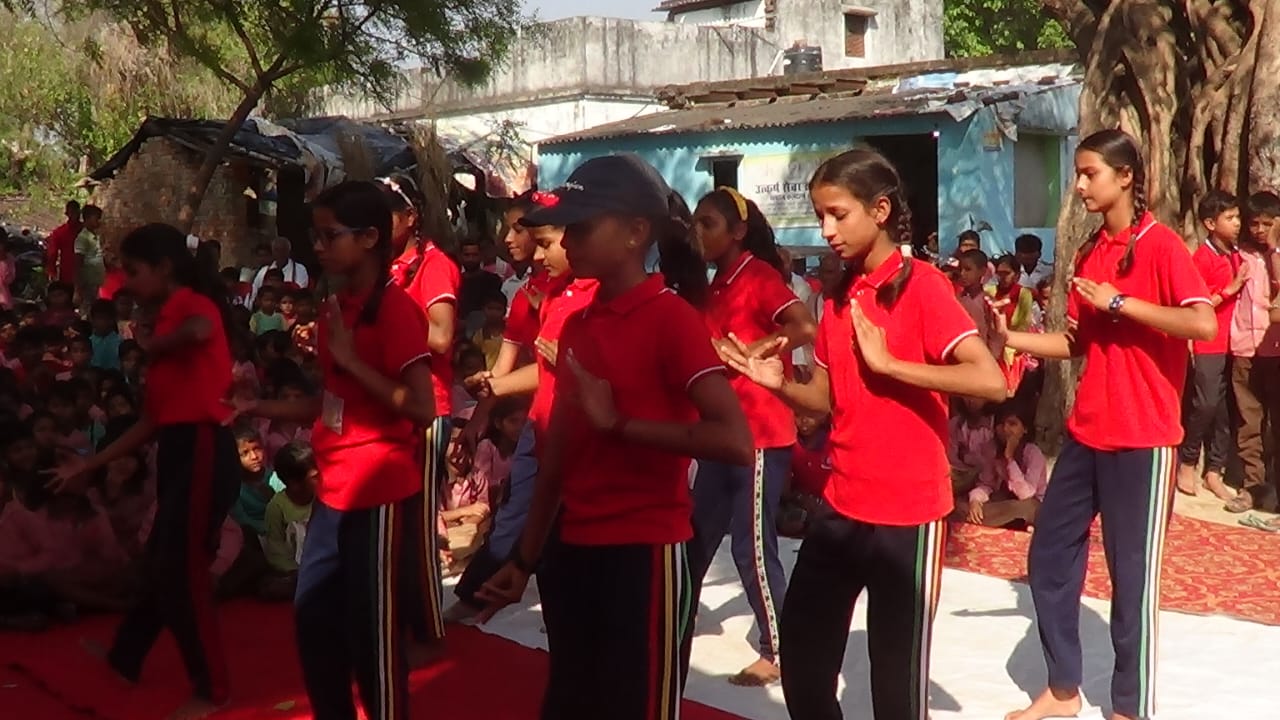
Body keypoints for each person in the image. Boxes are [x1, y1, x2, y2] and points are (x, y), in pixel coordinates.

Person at [720, 147, 1005, 720]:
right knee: (803, 663)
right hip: (841, 505)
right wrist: (779, 384)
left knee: (895, 690)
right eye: (820, 215)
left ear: (880, 210)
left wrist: (893, 366)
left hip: (908, 515)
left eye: (838, 214)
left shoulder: (923, 286)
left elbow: (990, 380)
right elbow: (825, 400)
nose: (826, 230)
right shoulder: (838, 296)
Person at [477, 154, 754, 719]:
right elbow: (557, 451)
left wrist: (620, 425)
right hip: (574, 549)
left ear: (635, 233)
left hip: (646, 554)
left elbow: (735, 442)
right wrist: (524, 557)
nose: (567, 242)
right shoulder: (576, 324)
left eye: (581, 228)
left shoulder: (671, 319)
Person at [998, 129, 1215, 720]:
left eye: (1089, 173)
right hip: (1087, 433)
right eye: (1077, 173)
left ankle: (1128, 706)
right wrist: (1007, 336)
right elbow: (1075, 343)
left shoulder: (1161, 246)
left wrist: (1121, 302)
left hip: (1145, 440)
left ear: (1126, 177)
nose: (1079, 185)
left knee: (1131, 580)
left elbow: (1202, 324)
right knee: (1048, 556)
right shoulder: (1090, 252)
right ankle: (1063, 689)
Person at [231, 181, 436, 720]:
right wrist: (257, 405)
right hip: (333, 487)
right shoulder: (336, 309)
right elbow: (331, 401)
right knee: (314, 621)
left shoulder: (395, 311)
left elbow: (423, 408)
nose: (318, 247)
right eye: (315, 237)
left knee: (373, 637)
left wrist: (351, 360)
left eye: (329, 236)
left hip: (380, 492)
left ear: (369, 238)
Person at [46, 222, 241, 720]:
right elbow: (151, 421)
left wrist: (156, 343)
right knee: (162, 563)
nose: (127, 282)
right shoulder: (164, 319)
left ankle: (213, 688)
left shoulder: (192, 306)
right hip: (178, 448)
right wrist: (92, 463)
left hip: (203, 446)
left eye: (134, 271)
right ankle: (126, 657)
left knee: (184, 570)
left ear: (164, 268)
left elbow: (200, 331)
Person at [686, 186, 817, 685]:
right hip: (721, 433)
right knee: (696, 536)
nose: (699, 233)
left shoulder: (758, 276)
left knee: (752, 546)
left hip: (760, 433)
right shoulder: (715, 284)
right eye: (696, 223)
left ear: (738, 231)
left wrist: (755, 351)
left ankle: (780, 649)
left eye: (709, 223)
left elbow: (804, 326)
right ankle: (674, 618)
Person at [381, 172, 460, 655]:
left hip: (428, 408)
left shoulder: (434, 265)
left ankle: (429, 630)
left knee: (418, 522)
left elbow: (442, 337)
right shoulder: (386, 267)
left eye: (387, 213)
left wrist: (392, 320)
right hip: (392, 407)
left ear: (410, 217)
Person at [1180, 190, 1245, 502]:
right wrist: (1230, 289)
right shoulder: (1201, 259)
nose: (1237, 223)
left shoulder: (1237, 253)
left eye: (1237, 217)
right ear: (1209, 223)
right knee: (1205, 403)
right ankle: (1187, 461)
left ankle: (1215, 470)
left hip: (1237, 341)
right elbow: (1197, 305)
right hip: (1210, 342)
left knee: (1224, 409)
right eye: (1229, 218)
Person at [1227, 191, 1280, 517]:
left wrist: (1275, 248)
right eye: (1255, 224)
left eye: (1267, 224)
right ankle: (1252, 487)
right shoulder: (1239, 255)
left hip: (1275, 349)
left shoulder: (1277, 255)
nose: (1260, 230)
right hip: (1244, 348)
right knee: (1249, 423)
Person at [952, 402, 1047, 529]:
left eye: (1012, 424)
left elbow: (1026, 494)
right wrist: (975, 501)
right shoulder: (993, 449)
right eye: (1001, 425)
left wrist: (1009, 459)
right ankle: (983, 517)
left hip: (1030, 505)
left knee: (1027, 508)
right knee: (961, 506)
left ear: (1025, 429)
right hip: (1003, 503)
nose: (1006, 429)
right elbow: (986, 484)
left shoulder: (1033, 453)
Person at [250, 237, 310, 304]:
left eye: (283, 250)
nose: (279, 253)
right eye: (276, 250)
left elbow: (300, 292)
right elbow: (254, 291)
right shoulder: (264, 271)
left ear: (288, 252)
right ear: (273, 252)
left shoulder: (299, 269)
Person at [45, 200, 82, 285]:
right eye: (72, 213)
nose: (74, 216)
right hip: (67, 274)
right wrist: (52, 271)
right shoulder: (60, 232)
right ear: (67, 214)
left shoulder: (87, 231)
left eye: (75, 213)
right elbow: (52, 254)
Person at [76, 205, 106, 307]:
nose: (99, 221)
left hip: (95, 283)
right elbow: (78, 263)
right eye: (97, 218)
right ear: (88, 218)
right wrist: (78, 289)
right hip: (88, 283)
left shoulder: (95, 237)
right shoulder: (83, 238)